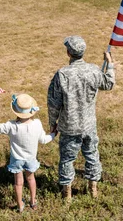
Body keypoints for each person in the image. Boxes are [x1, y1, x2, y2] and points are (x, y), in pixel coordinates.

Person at [47, 35, 115, 202]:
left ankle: (67, 192)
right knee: (92, 155)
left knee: (67, 159)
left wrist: (52, 123)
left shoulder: (62, 74)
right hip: (89, 125)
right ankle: (93, 189)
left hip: (69, 127)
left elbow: (53, 103)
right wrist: (110, 63)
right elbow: (109, 84)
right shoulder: (93, 70)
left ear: (68, 52)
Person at [0, 93, 56, 213]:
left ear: (16, 111)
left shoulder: (11, 126)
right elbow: (44, 140)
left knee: (18, 183)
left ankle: (20, 205)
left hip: (16, 159)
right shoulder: (37, 124)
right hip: (31, 159)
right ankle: (33, 201)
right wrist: (53, 134)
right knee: (31, 179)